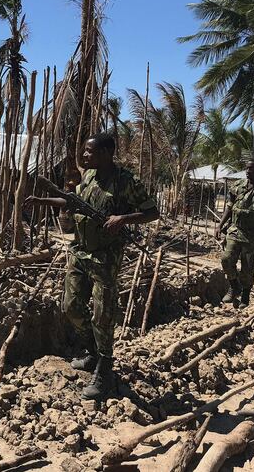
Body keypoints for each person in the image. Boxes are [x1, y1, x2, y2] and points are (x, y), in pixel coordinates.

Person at [25, 133, 159, 400]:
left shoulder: (125, 182)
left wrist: (123, 218)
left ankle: (105, 370)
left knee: (102, 315)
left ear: (108, 152)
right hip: (79, 251)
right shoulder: (88, 177)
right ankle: (92, 351)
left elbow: (152, 212)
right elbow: (73, 201)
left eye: (90, 152)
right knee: (71, 306)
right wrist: (44, 201)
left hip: (105, 258)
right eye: (84, 151)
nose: (84, 156)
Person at [215, 159, 254, 308]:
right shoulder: (237, 186)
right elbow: (229, 208)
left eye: (252, 168)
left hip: (253, 235)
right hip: (235, 230)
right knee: (226, 259)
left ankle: (245, 296)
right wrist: (220, 225)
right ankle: (234, 285)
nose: (248, 171)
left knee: (248, 267)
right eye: (247, 168)